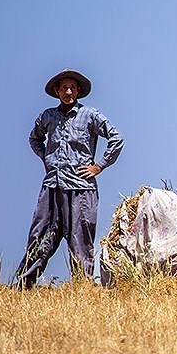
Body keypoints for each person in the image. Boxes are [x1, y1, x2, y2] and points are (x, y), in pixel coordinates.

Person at [14, 67, 124, 289]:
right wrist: (46, 159)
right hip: (53, 185)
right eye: (64, 87)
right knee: (41, 234)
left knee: (80, 238)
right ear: (57, 91)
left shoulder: (90, 115)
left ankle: (82, 289)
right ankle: (23, 286)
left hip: (81, 187)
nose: (68, 91)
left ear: (78, 91)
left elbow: (116, 138)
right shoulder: (48, 116)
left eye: (72, 87)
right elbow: (34, 139)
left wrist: (99, 166)